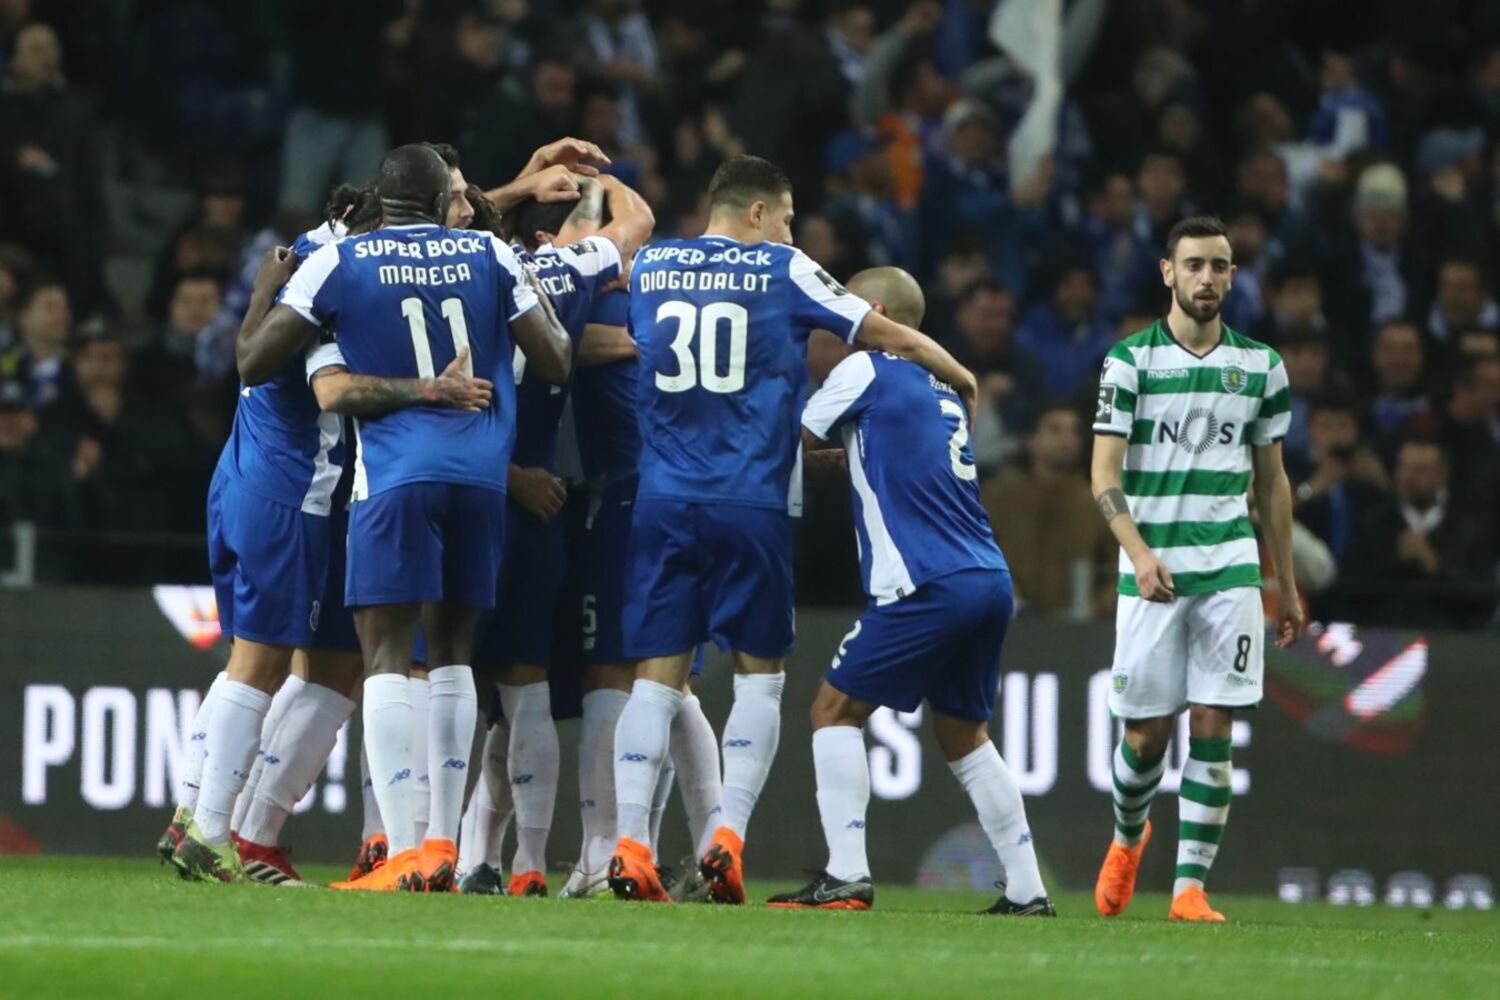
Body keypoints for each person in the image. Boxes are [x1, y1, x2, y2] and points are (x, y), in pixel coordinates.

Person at [608, 154, 975, 904]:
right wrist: (962, 377)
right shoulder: (785, 268)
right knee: (760, 677)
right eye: (786, 217)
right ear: (756, 213)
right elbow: (889, 334)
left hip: (663, 499)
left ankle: (630, 847)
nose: (790, 231)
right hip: (752, 501)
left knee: (654, 680)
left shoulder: (652, 265)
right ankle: (727, 840)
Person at [233, 144, 571, 893]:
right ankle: (445, 844)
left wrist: (262, 292)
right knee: (452, 656)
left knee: (385, 655)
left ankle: (405, 853)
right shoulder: (490, 254)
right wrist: (532, 290)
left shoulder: (341, 260)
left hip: (393, 479)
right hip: (480, 480)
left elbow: (254, 361)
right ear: (444, 199)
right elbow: (556, 359)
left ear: (382, 201)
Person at [165, 178, 498, 885]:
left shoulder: (315, 252)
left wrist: (519, 185)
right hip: (292, 491)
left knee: (336, 664)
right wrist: (433, 389)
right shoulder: (337, 277)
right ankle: (208, 827)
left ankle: (219, 823)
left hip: (254, 475)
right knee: (261, 663)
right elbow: (302, 378)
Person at [770, 266, 1052, 916]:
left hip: (924, 579)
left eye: (842, 305)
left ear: (873, 311)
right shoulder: (939, 386)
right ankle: (1028, 891)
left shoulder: (864, 368)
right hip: (986, 577)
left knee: (832, 711)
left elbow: (783, 447)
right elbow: (887, 457)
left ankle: (846, 874)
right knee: (965, 735)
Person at [1090, 215, 1304, 923]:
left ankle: (1189, 889)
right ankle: (1129, 838)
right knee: (1145, 736)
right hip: (1151, 570)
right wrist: (1137, 552)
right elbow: (1103, 474)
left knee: (1214, 722)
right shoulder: (1130, 362)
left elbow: (1272, 481)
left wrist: (1285, 583)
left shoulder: (1262, 366)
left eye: (1218, 266)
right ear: (1168, 273)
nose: (1206, 278)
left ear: (1233, 277)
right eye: (1193, 265)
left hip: (1230, 569)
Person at [471, 172, 654, 897]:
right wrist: (602, 180)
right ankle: (520, 862)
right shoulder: (571, 272)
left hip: (499, 496)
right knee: (518, 691)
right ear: (555, 235)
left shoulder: (473, 268)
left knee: (458, 681)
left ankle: (455, 853)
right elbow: (635, 222)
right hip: (536, 500)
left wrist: (526, 180)